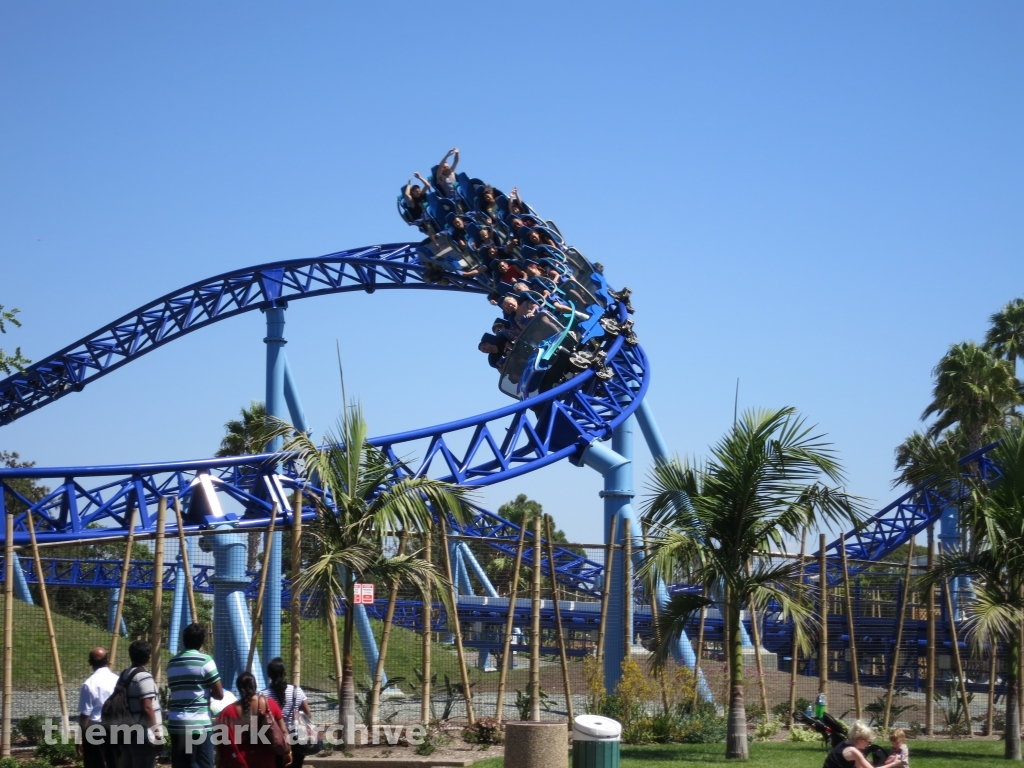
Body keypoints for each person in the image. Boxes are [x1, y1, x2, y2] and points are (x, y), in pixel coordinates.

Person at [166, 624, 223, 768]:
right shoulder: (205, 661)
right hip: (199, 723)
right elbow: (219, 694)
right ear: (202, 641)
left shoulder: (172, 663)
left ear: (184, 639)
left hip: (176, 723)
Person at [216, 672, 291, 768]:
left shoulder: (228, 712)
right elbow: (284, 732)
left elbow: (221, 742)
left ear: (239, 688)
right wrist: (288, 752)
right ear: (255, 686)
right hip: (266, 762)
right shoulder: (270, 705)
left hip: (239, 762)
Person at [260, 658, 312, 768]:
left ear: (268, 674)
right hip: (297, 738)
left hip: (274, 739)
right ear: (285, 673)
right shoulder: (297, 691)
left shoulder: (263, 695)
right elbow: (308, 714)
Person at [118, 641, 163, 768]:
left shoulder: (124, 674)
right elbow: (147, 707)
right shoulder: (144, 677)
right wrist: (157, 735)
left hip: (127, 733)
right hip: (142, 736)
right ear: (148, 657)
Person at [77, 647, 119, 768]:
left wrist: (80, 738)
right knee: (115, 762)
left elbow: (85, 715)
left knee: (94, 763)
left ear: (90, 662)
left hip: (95, 728)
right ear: (107, 661)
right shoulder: (118, 680)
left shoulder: (89, 683)